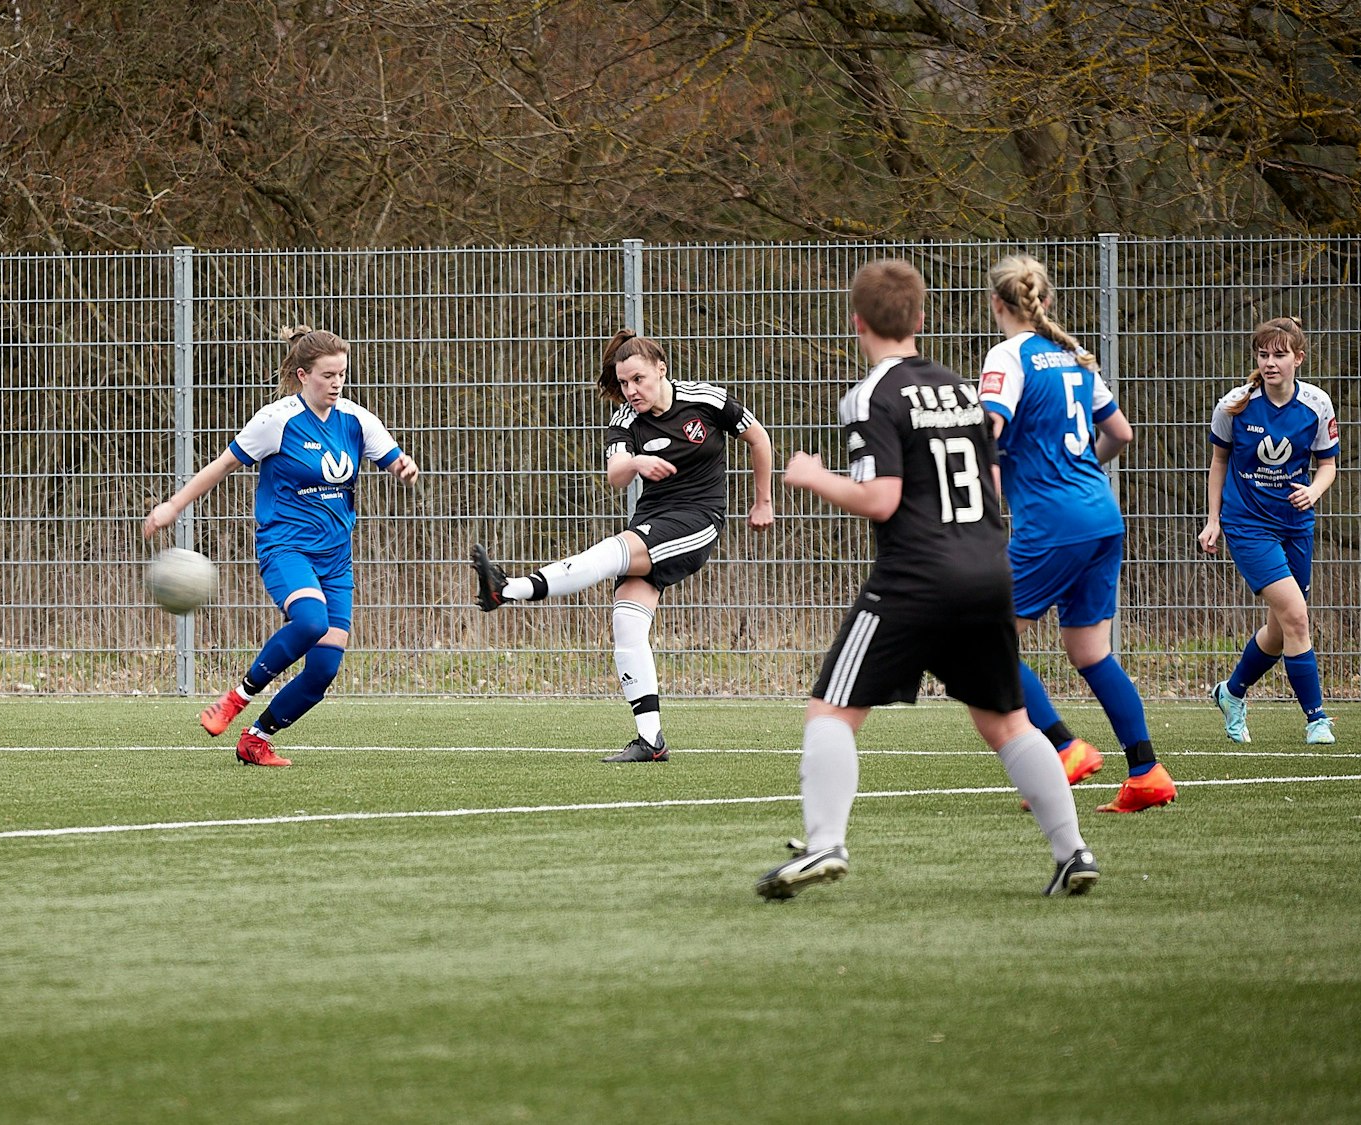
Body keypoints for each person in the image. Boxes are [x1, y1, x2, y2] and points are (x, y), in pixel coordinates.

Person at [756, 258, 1098, 901]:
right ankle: (1072, 851)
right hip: (987, 565)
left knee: (832, 707)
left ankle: (825, 843)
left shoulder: (871, 395)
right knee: (1007, 722)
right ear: (920, 319)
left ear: (856, 321)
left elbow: (882, 498)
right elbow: (993, 484)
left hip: (916, 574)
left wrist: (812, 476)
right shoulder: (963, 389)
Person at [469, 329, 774, 762]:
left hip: (698, 519)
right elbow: (615, 475)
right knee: (627, 628)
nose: (631, 390)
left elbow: (758, 438)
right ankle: (651, 741)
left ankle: (509, 589)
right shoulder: (625, 422)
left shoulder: (705, 399)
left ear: (661, 369)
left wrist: (762, 502)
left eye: (639, 379)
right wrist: (635, 461)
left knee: (612, 553)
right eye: (625, 382)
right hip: (651, 519)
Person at [142, 327, 420, 767]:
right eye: (327, 375)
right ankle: (236, 698)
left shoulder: (356, 420)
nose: (336, 384)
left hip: (335, 558)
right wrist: (172, 507)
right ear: (302, 374)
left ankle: (256, 738)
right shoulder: (277, 420)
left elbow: (394, 459)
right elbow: (223, 465)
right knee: (310, 621)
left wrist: (405, 468)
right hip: (285, 548)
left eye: (342, 375)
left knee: (323, 670)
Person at [979, 255, 1176, 814]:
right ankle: (1146, 773)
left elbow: (988, 438)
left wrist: (984, 516)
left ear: (998, 303)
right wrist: (1083, 465)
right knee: (1090, 651)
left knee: (986, 640)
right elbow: (1120, 433)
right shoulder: (1074, 357)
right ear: (1045, 301)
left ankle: (1064, 747)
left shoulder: (1006, 356)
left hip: (1052, 523)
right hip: (1101, 515)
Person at [1200, 317, 1339, 744]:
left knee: (1281, 630)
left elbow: (1328, 465)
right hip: (1247, 524)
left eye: (1279, 355)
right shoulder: (1235, 404)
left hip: (1296, 525)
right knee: (1297, 617)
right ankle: (1316, 718)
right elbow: (1218, 463)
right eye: (1263, 354)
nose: (1270, 363)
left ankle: (1232, 691)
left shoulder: (1317, 405)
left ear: (1298, 358)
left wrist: (1313, 491)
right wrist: (1213, 520)